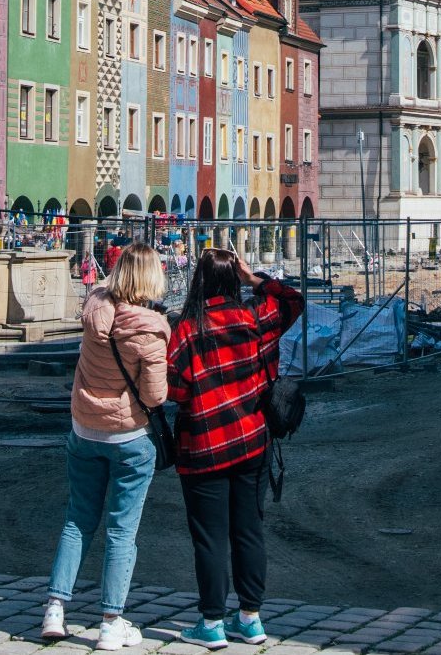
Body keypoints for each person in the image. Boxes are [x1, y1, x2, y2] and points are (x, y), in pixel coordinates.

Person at [167, 249, 306, 650]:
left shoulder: (188, 330)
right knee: (248, 531)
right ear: (233, 281)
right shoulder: (256, 318)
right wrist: (255, 280)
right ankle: (250, 618)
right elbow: (294, 300)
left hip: (205, 445)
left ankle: (211, 623)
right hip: (251, 441)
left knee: (210, 538)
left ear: (200, 282)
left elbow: (175, 389)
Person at [42, 243, 168, 650]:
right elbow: (154, 397)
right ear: (151, 278)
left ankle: (55, 609)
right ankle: (111, 622)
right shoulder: (149, 331)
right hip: (129, 438)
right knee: (121, 531)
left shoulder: (94, 306)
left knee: (77, 520)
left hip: (84, 430)